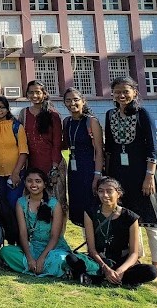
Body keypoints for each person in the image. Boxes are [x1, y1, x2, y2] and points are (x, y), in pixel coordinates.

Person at [104, 77, 157, 275]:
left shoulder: (142, 114)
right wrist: (108, 176)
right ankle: (136, 257)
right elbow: (110, 147)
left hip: (142, 174)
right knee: (129, 218)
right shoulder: (110, 114)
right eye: (117, 91)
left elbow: (152, 148)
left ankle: (156, 262)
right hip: (120, 175)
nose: (121, 95)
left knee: (150, 218)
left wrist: (149, 176)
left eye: (126, 91)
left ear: (135, 93)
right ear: (112, 94)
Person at [66, 177, 157, 286]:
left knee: (152, 271)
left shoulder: (130, 217)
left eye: (109, 191)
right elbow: (91, 249)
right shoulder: (90, 213)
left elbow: (134, 253)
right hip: (99, 260)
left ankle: (98, 279)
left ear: (118, 193)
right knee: (71, 258)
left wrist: (121, 271)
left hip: (122, 261)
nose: (105, 195)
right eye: (101, 191)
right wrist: (105, 268)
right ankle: (114, 279)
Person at [0, 168, 88, 277]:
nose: (33, 184)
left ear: (45, 184)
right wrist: (29, 257)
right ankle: (47, 268)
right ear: (25, 183)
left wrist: (41, 258)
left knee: (60, 259)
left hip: (53, 248)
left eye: (38, 181)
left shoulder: (54, 204)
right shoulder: (21, 202)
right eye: (29, 181)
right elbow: (23, 233)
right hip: (33, 247)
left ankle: (39, 267)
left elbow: (55, 237)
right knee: (5, 252)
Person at [19, 80, 66, 219]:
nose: (34, 95)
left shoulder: (53, 114)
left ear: (44, 94)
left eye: (38, 92)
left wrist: (54, 168)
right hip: (32, 166)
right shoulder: (24, 114)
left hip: (52, 165)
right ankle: (35, 236)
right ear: (27, 94)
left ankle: (56, 237)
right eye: (31, 92)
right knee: (32, 205)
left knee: (54, 205)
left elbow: (57, 143)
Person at [62, 87, 104, 227]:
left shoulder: (91, 122)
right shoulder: (66, 121)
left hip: (90, 168)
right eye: (68, 100)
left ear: (83, 101)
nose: (72, 103)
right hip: (74, 170)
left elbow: (99, 150)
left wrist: (97, 175)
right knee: (78, 206)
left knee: (91, 205)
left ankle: (96, 245)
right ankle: (87, 243)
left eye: (76, 99)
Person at [0, 96, 28, 217]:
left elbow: (23, 152)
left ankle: (18, 234)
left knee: (14, 205)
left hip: (16, 174)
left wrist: (15, 173)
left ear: (7, 109)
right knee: (0, 207)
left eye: (2, 107)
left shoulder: (17, 127)